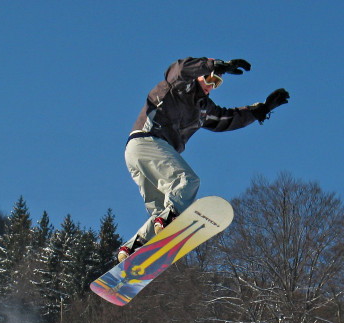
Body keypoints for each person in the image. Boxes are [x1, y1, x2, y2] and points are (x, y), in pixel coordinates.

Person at [118, 56, 290, 262]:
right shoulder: (178, 86)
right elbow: (180, 69)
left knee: (162, 211)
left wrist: (261, 110)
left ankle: (133, 249)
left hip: (144, 155)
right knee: (187, 182)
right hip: (148, 141)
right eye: (210, 80)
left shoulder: (203, 109)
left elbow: (228, 119)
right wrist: (214, 65)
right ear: (198, 76)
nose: (212, 86)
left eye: (217, 83)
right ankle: (170, 219)